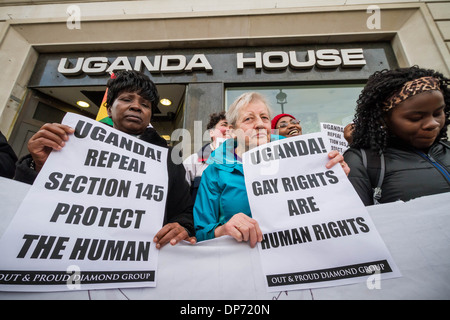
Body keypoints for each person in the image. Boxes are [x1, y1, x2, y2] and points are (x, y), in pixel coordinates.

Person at [14, 70, 196, 248]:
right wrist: (39, 165)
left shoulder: (169, 158)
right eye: (126, 99)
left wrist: (182, 226)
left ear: (150, 115)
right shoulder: (71, 144)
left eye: (145, 104)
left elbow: (183, 211)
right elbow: (29, 205)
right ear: (109, 109)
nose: (136, 106)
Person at [193, 92, 350, 247]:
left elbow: (323, 207)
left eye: (264, 117)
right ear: (233, 131)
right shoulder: (214, 172)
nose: (260, 124)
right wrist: (222, 230)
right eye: (249, 119)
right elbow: (201, 232)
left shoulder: (297, 157)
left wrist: (336, 178)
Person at [344, 66, 450, 206]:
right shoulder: (361, 161)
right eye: (416, 118)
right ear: (383, 119)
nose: (432, 124)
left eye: (437, 113)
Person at [183, 111, 230, 200]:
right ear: (211, 132)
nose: (229, 129)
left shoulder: (243, 163)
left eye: (232, 126)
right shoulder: (192, 162)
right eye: (224, 124)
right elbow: (180, 199)